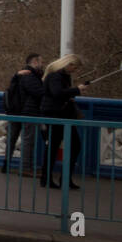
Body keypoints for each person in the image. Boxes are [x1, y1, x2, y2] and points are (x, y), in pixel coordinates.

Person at [39, 53, 88, 189]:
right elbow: (57, 93)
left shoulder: (60, 76)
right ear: (69, 64)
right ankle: (51, 178)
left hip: (60, 115)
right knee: (57, 147)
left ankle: (54, 178)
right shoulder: (55, 76)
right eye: (75, 68)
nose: (75, 70)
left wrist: (74, 91)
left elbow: (60, 93)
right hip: (54, 115)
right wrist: (76, 90)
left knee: (58, 147)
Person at [1, 53, 45, 175]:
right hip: (27, 112)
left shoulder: (20, 74)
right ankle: (26, 167)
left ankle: (6, 164)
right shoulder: (30, 76)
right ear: (35, 62)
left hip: (14, 111)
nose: (43, 65)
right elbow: (39, 92)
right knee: (28, 140)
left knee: (11, 139)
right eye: (41, 62)